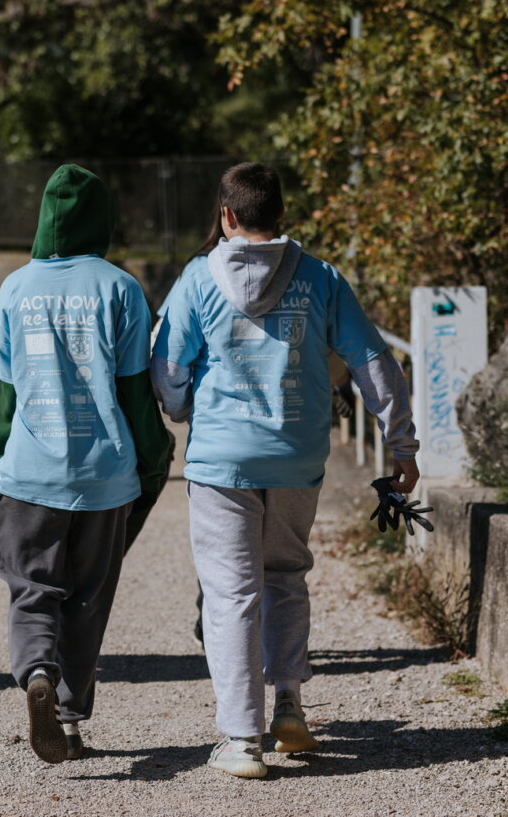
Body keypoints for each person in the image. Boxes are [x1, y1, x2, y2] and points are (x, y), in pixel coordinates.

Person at [151, 162, 420, 779]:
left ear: (226, 215)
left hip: (221, 457)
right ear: (283, 216)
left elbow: (167, 368)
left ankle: (241, 740)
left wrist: (186, 408)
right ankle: (290, 704)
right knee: (286, 575)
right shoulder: (321, 278)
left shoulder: (197, 279)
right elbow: (374, 361)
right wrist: (400, 444)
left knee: (230, 593)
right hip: (299, 457)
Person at [0, 164, 171, 763]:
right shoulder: (120, 288)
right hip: (104, 475)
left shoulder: (14, 288)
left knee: (31, 589)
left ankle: (36, 672)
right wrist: (154, 455)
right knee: (87, 598)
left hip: (30, 472)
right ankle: (70, 717)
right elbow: (136, 389)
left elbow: (1, 394)